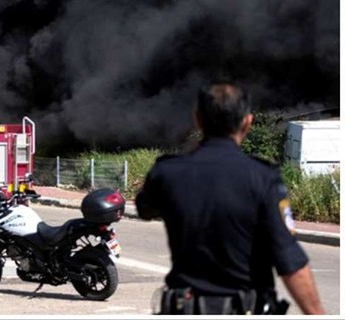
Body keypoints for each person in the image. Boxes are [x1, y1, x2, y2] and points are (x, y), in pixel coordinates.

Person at [135, 83, 324, 315]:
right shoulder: (262, 177)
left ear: (198, 120)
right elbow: (290, 261)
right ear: (247, 122)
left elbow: (145, 208)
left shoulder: (166, 173)